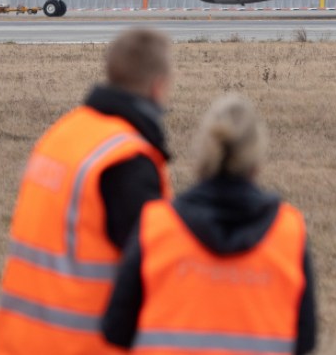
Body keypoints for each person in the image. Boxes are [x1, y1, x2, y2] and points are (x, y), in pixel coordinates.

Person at [0, 28, 175, 354]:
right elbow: (153, 267)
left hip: (19, 339)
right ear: (159, 85)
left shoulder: (63, 133)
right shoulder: (124, 160)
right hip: (82, 343)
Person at [103, 94, 317, 354]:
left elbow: (116, 329)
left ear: (202, 152)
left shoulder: (157, 224)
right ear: (256, 158)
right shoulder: (288, 231)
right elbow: (305, 340)